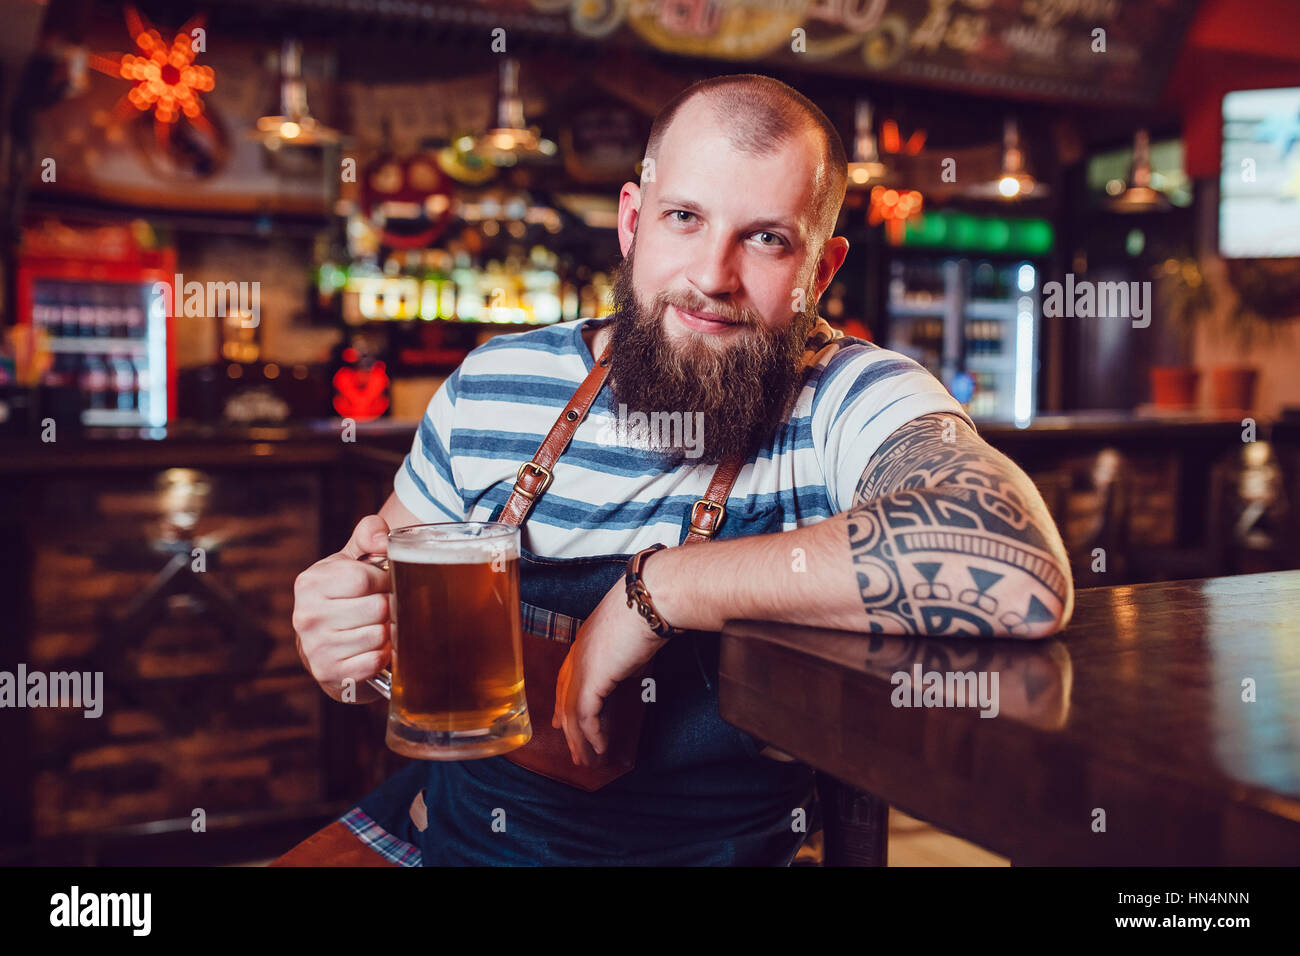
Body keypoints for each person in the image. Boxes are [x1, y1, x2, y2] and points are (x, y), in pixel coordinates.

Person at [291, 73, 1074, 866]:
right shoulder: (493, 384)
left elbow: (1016, 571)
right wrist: (342, 648)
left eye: (767, 237)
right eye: (685, 218)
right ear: (633, 222)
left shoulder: (845, 394)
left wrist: (661, 590)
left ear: (821, 270)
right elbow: (379, 608)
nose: (712, 276)